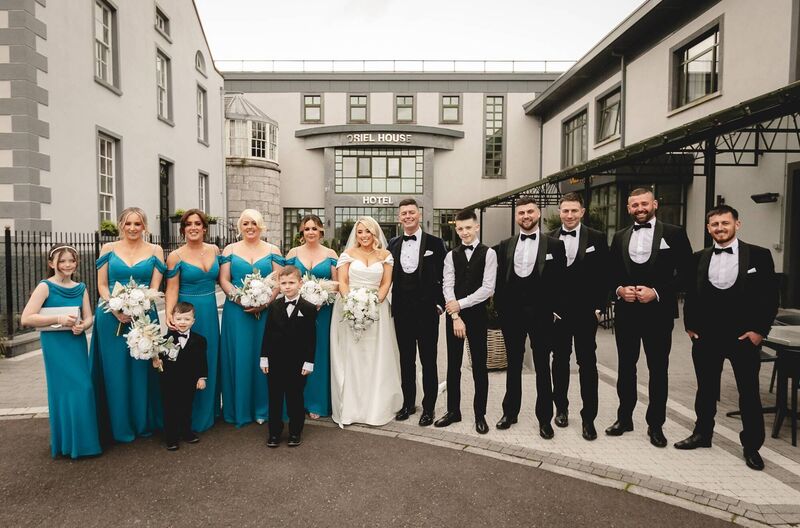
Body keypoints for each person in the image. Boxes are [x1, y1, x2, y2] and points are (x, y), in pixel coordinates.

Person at [676, 205, 778, 471]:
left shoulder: (759, 255)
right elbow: (691, 293)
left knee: (749, 393)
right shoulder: (698, 257)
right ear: (708, 228)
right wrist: (690, 326)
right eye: (714, 225)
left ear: (737, 224)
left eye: (725, 223)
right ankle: (702, 434)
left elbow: (770, 298)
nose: (719, 228)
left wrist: (759, 331)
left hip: (743, 336)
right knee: (706, 389)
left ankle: (752, 446)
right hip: (706, 336)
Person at [606, 188, 692, 447]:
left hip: (658, 313)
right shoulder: (620, 236)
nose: (639, 209)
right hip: (626, 313)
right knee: (625, 368)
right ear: (628, 208)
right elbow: (609, 273)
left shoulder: (674, 233)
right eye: (634, 205)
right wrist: (619, 290)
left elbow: (688, 273)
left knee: (658, 370)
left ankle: (656, 425)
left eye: (644, 204)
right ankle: (624, 418)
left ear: (654, 203)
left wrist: (656, 292)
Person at [90, 207, 166, 442]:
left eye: (138, 224)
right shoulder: (108, 248)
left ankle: (143, 422)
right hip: (110, 316)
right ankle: (117, 425)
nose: (133, 228)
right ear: (121, 225)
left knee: (141, 368)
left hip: (144, 316)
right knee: (115, 371)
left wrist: (139, 306)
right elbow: (102, 284)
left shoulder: (155, 250)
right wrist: (114, 307)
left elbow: (155, 287)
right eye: (128, 224)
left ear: (145, 226)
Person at [493, 197, 566, 438]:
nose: (526, 216)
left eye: (530, 212)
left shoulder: (555, 245)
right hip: (512, 314)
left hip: (542, 315)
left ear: (539, 213)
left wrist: (555, 309)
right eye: (521, 212)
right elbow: (499, 280)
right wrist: (500, 310)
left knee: (543, 367)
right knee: (513, 365)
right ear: (516, 217)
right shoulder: (504, 245)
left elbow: (560, 281)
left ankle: (545, 419)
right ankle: (510, 412)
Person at [21, 244, 101, 459]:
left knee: (84, 388)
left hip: (75, 343)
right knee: (63, 391)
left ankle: (84, 443)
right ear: (51, 263)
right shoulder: (45, 287)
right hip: (55, 345)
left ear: (76, 263)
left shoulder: (81, 287)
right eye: (62, 260)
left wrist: (82, 326)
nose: (67, 264)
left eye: (71, 260)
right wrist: (57, 319)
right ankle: (68, 443)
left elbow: (89, 317)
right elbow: (27, 317)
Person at [330, 216, 403, 427]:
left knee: (375, 356)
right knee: (352, 356)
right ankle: (352, 407)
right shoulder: (347, 255)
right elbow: (342, 282)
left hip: (377, 310)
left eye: (368, 232)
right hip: (348, 308)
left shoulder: (385, 256)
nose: (364, 236)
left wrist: (373, 304)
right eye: (360, 232)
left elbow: (386, 283)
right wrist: (352, 303)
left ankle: (376, 406)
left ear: (375, 234)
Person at [547, 192, 609, 441]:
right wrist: (548, 307)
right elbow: (545, 277)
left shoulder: (597, 238)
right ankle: (560, 409)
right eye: (565, 211)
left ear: (582, 212)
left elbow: (605, 274)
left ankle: (588, 418)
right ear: (559, 212)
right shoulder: (548, 239)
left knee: (587, 364)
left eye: (574, 210)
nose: (570, 215)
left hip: (585, 312)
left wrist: (598, 308)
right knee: (559, 361)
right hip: (558, 314)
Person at [219, 209, 283, 427]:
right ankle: (239, 408)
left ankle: (263, 408)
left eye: (253, 223)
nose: (249, 227)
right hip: (236, 312)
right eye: (245, 223)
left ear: (260, 225)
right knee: (240, 355)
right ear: (240, 226)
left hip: (266, 312)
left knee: (265, 356)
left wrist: (265, 302)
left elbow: (279, 280)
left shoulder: (272, 249)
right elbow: (224, 279)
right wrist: (240, 299)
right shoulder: (230, 249)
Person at [436, 209, 496, 434]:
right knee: (453, 366)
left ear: (477, 227)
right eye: (460, 229)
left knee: (480, 366)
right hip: (454, 317)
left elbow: (488, 288)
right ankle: (453, 411)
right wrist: (455, 315)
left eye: (468, 227)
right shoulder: (451, 255)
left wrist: (461, 304)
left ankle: (480, 415)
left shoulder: (489, 254)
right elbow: (447, 285)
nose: (464, 232)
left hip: (478, 316)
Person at [387, 199, 446, 426]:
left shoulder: (436, 243)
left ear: (419, 215)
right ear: (399, 217)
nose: (408, 216)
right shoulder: (392, 244)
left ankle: (429, 407)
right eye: (404, 213)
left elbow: (445, 275)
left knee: (428, 361)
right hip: (402, 311)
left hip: (427, 312)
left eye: (411, 212)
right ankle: (408, 403)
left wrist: (440, 304)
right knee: (406, 360)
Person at [165, 209, 221, 434]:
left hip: (209, 309)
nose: (193, 227)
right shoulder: (175, 256)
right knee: (184, 363)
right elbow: (172, 287)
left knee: (208, 359)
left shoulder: (215, 250)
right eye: (188, 224)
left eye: (198, 223)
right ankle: (185, 419)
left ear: (205, 227)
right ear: (183, 229)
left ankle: (209, 413)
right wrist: (169, 314)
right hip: (186, 312)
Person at [284, 214, 338, 419]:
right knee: (297, 353)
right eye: (306, 229)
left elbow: (335, 283)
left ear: (321, 231)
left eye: (314, 228)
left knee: (319, 352)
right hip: (297, 311)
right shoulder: (293, 253)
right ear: (302, 232)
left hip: (322, 312)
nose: (310, 232)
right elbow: (286, 280)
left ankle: (318, 402)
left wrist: (321, 300)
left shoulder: (330, 253)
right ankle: (298, 401)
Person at [261, 266, 316, 447]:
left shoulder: (308, 308)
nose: (287, 286)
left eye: (291, 283)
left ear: (300, 284)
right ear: (279, 285)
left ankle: (295, 432)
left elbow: (311, 338)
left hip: (297, 362)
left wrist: (309, 362)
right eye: (283, 283)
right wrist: (264, 358)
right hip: (276, 361)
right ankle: (274, 433)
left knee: (295, 398)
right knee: (275, 398)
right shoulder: (274, 306)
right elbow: (267, 334)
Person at [153, 302, 208, 451]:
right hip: (169, 382)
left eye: (186, 319)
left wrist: (201, 377)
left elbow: (202, 361)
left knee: (186, 407)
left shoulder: (200, 340)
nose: (182, 323)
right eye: (179, 319)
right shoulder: (163, 340)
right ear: (172, 320)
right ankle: (171, 437)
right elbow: (158, 361)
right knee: (170, 409)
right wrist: (156, 362)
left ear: (193, 321)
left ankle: (186, 432)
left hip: (189, 381)